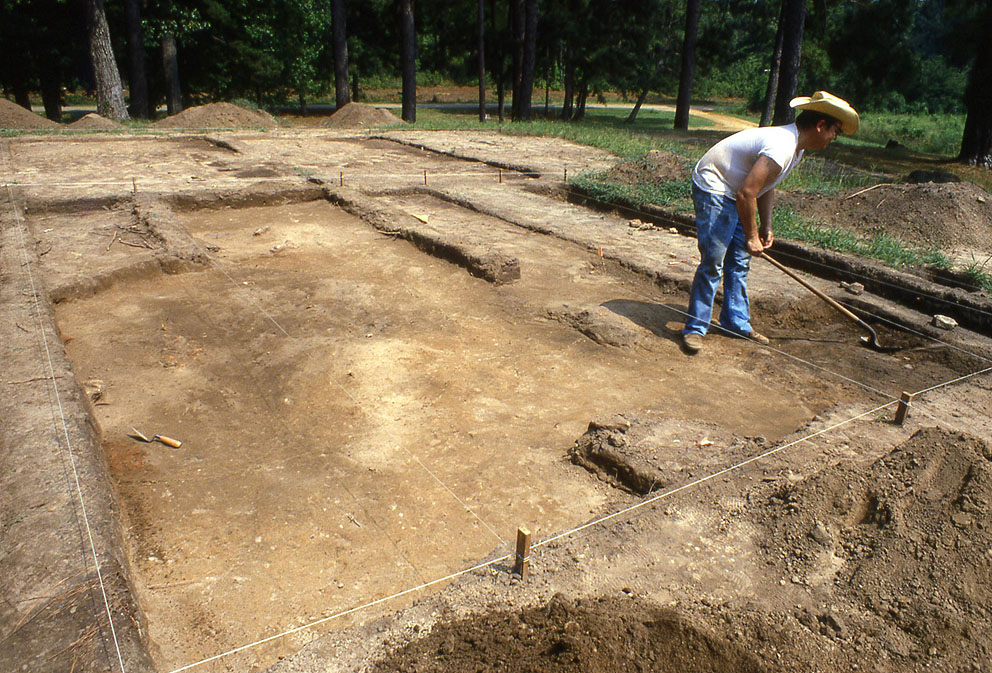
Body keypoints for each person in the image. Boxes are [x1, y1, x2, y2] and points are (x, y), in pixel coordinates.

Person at [680, 91, 859, 354]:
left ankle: (735, 322)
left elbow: (764, 186)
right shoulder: (783, 145)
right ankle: (695, 329)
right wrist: (751, 236)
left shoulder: (796, 148)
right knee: (713, 261)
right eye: (835, 131)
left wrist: (765, 225)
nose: (834, 137)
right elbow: (746, 193)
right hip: (715, 185)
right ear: (820, 125)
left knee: (739, 260)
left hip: (739, 190)